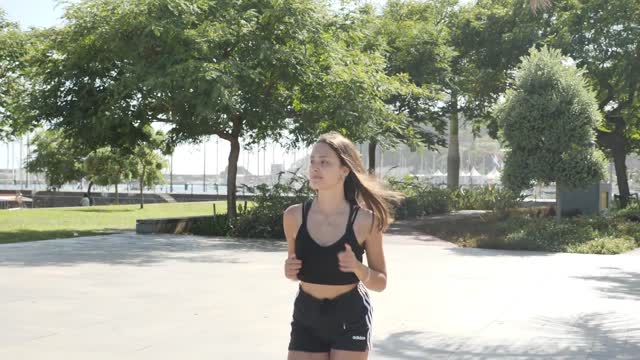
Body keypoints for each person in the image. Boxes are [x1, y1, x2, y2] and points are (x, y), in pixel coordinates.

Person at [283, 132, 403, 360]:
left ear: (344, 170)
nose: (315, 167)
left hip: (350, 315)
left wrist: (358, 268)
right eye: (312, 161)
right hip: (307, 314)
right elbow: (295, 271)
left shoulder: (366, 220)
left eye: (325, 162)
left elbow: (381, 282)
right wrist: (289, 271)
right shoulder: (293, 216)